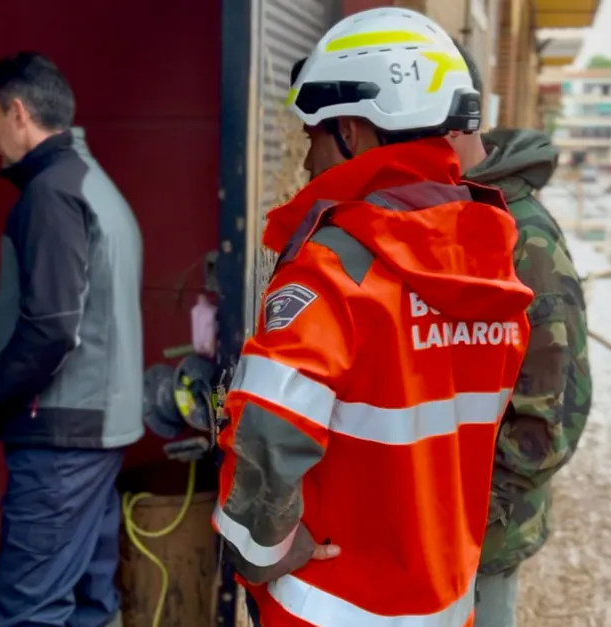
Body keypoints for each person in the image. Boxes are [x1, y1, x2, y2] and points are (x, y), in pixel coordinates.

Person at [213, 8, 535, 627]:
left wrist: (259, 553)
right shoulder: (494, 266)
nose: (307, 162)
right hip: (443, 604)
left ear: (353, 130)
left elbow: (270, 436)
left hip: (328, 607)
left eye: (312, 136)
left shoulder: (333, 272)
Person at [0, 52, 143, 627]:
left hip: (60, 440)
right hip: (95, 435)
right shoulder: (93, 183)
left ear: (18, 111)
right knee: (88, 604)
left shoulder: (52, 194)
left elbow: (51, 328)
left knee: (32, 608)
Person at [446, 41, 592, 627]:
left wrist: (468, 522)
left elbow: (550, 419)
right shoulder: (447, 212)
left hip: (481, 543)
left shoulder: (520, 236)